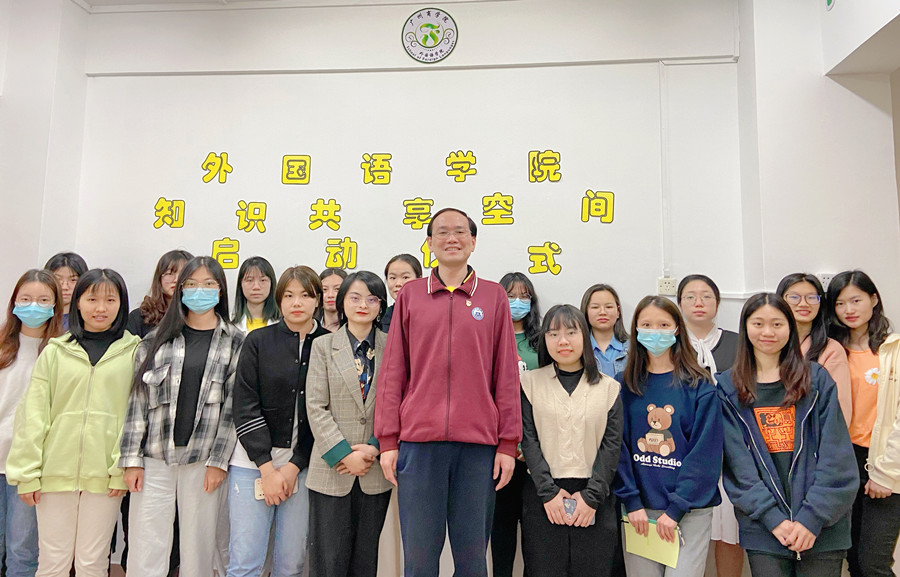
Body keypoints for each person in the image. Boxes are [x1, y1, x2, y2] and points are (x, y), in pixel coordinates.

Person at [375, 207, 521, 577]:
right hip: (419, 446)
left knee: (472, 562)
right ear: (429, 243)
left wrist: (507, 444)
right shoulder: (411, 296)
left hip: (478, 449)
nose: (451, 238)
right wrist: (388, 440)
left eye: (460, 231)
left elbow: (506, 375)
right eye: (442, 231)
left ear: (473, 242)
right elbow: (393, 372)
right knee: (420, 562)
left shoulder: (494, 296)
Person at [7, 269, 139, 577]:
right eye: (92, 299)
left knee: (92, 563)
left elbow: (135, 416)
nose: (100, 308)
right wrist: (27, 473)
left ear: (121, 304)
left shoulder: (135, 351)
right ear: (77, 302)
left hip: (106, 477)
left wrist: (120, 470)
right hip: (54, 474)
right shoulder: (55, 351)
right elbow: (33, 415)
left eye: (110, 300)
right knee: (52, 562)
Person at [119, 256, 244, 577]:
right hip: (154, 459)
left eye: (208, 284)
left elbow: (233, 409)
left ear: (221, 290)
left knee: (198, 550)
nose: (199, 291)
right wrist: (131, 459)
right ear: (180, 291)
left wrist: (218, 461)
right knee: (146, 546)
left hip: (203, 462)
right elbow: (137, 403)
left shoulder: (236, 342)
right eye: (191, 284)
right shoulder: (155, 340)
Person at [718, 293, 857, 576]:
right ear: (745, 328)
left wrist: (811, 518)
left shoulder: (816, 380)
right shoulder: (727, 388)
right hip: (764, 528)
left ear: (790, 328)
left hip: (823, 526)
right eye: (758, 323)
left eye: (777, 324)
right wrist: (773, 519)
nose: (768, 332)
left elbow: (836, 456)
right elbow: (738, 466)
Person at [227, 265, 328, 577]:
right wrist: (267, 468)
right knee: (245, 562)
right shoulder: (258, 341)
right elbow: (245, 405)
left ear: (318, 300)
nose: (297, 303)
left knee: (292, 563)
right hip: (252, 465)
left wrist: (295, 465)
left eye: (305, 295)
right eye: (289, 296)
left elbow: (324, 413)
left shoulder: (329, 343)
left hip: (303, 467)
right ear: (279, 300)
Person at [615, 295, 722, 577]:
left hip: (689, 511)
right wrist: (632, 502)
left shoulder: (700, 386)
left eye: (663, 325)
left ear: (676, 329)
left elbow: (705, 456)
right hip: (640, 512)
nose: (655, 331)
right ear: (636, 330)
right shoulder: (623, 385)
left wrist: (676, 509)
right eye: (647, 325)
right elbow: (618, 448)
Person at [520, 304, 622, 577]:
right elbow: (528, 440)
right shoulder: (529, 383)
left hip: (594, 495)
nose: (562, 341)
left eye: (571, 332)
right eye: (553, 334)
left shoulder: (609, 388)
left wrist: (591, 498)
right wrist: (548, 493)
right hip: (543, 495)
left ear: (584, 336)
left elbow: (611, 447)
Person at [306, 271, 393, 577]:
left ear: (380, 306)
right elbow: (315, 406)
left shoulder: (394, 346)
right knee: (328, 562)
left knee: (366, 561)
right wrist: (344, 454)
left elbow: (399, 404)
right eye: (355, 298)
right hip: (332, 469)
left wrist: (374, 447)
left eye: (372, 299)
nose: (363, 305)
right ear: (342, 302)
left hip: (375, 469)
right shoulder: (323, 345)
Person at [827, 271, 900, 577]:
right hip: (844, 461)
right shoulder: (830, 349)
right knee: (853, 560)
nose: (849, 310)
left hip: (883, 460)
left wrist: (886, 473)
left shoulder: (893, 349)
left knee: (873, 564)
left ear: (873, 299)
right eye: (840, 303)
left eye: (856, 300)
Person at [677, 274, 742, 575]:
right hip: (687, 449)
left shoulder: (738, 343)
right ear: (679, 304)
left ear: (717, 302)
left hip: (732, 448)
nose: (698, 302)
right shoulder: (672, 344)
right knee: (688, 529)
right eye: (690, 296)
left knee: (730, 528)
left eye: (706, 296)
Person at [0, 270, 64, 577]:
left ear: (55, 306)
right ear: (14, 302)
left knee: (22, 551)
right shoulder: (3, 345)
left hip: (30, 468)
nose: (33, 306)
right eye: (25, 299)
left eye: (43, 300)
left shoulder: (62, 350)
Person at [489, 271, 542, 577]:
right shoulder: (488, 338)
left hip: (535, 450)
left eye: (524, 296)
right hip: (499, 449)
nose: (517, 302)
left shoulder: (542, 342)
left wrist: (529, 445)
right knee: (502, 529)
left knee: (535, 533)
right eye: (510, 296)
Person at [776, 273, 851, 423]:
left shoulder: (831, 350)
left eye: (811, 297)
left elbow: (839, 411)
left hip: (812, 432)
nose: (803, 304)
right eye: (794, 297)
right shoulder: (770, 343)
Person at [127, 249, 193, 339]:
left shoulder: (199, 317)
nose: (176, 280)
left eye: (183, 274)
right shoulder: (139, 317)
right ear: (159, 278)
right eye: (170, 273)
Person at [580, 283, 629, 377]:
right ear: (586, 312)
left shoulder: (634, 348)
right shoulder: (578, 349)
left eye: (609, 307)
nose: (602, 312)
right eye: (595, 307)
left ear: (618, 312)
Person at [232, 256, 281, 333]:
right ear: (240, 285)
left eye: (263, 280)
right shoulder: (230, 325)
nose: (256, 287)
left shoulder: (284, 324)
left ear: (271, 284)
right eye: (249, 280)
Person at [43, 252, 88, 330]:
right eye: (58, 279)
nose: (65, 287)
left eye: (73, 280)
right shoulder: (38, 316)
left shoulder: (88, 320)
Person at [381, 254, 422, 333]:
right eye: (393, 278)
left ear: (419, 279)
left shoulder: (430, 314)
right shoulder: (382, 317)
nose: (398, 283)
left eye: (405, 277)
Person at [318, 268, 347, 333]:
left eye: (337, 289)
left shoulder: (353, 326)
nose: (330, 295)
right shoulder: (311, 325)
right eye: (324, 289)